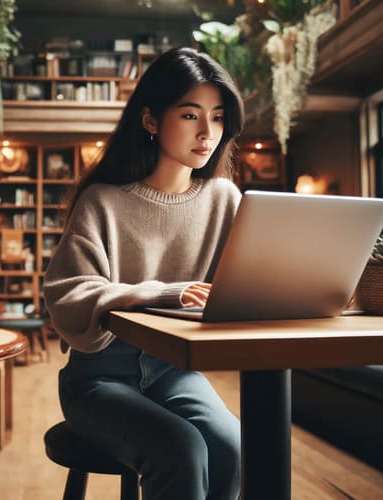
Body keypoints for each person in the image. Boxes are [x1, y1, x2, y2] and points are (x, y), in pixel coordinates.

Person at [43, 47, 244, 500]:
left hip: (177, 372)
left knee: (234, 447)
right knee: (181, 448)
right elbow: (69, 293)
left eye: (217, 116)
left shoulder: (223, 198)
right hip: (98, 378)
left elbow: (243, 282)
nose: (207, 132)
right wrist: (162, 292)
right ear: (151, 120)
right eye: (191, 115)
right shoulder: (103, 201)